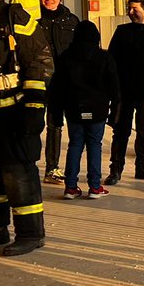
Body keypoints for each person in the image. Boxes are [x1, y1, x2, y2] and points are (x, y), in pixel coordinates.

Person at [0, 0, 54, 257]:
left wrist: (34, 106)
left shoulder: (13, 15)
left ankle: (30, 233)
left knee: (17, 172)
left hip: (14, 110)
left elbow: (39, 60)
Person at [49, 21, 119, 200]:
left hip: (73, 108)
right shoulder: (104, 57)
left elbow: (57, 88)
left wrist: (56, 115)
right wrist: (115, 112)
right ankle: (94, 186)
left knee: (75, 144)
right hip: (97, 109)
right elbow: (114, 87)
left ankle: (70, 187)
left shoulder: (66, 57)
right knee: (95, 145)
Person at [106, 0, 144, 184]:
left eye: (134, 9)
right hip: (124, 90)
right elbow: (111, 60)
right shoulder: (122, 32)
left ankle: (142, 167)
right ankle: (115, 170)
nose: (130, 12)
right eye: (129, 8)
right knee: (121, 131)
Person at [37, 0, 79, 184]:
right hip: (38, 79)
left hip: (64, 80)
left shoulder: (72, 20)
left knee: (56, 124)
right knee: (33, 124)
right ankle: (27, 164)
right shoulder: (32, 19)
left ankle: (52, 168)